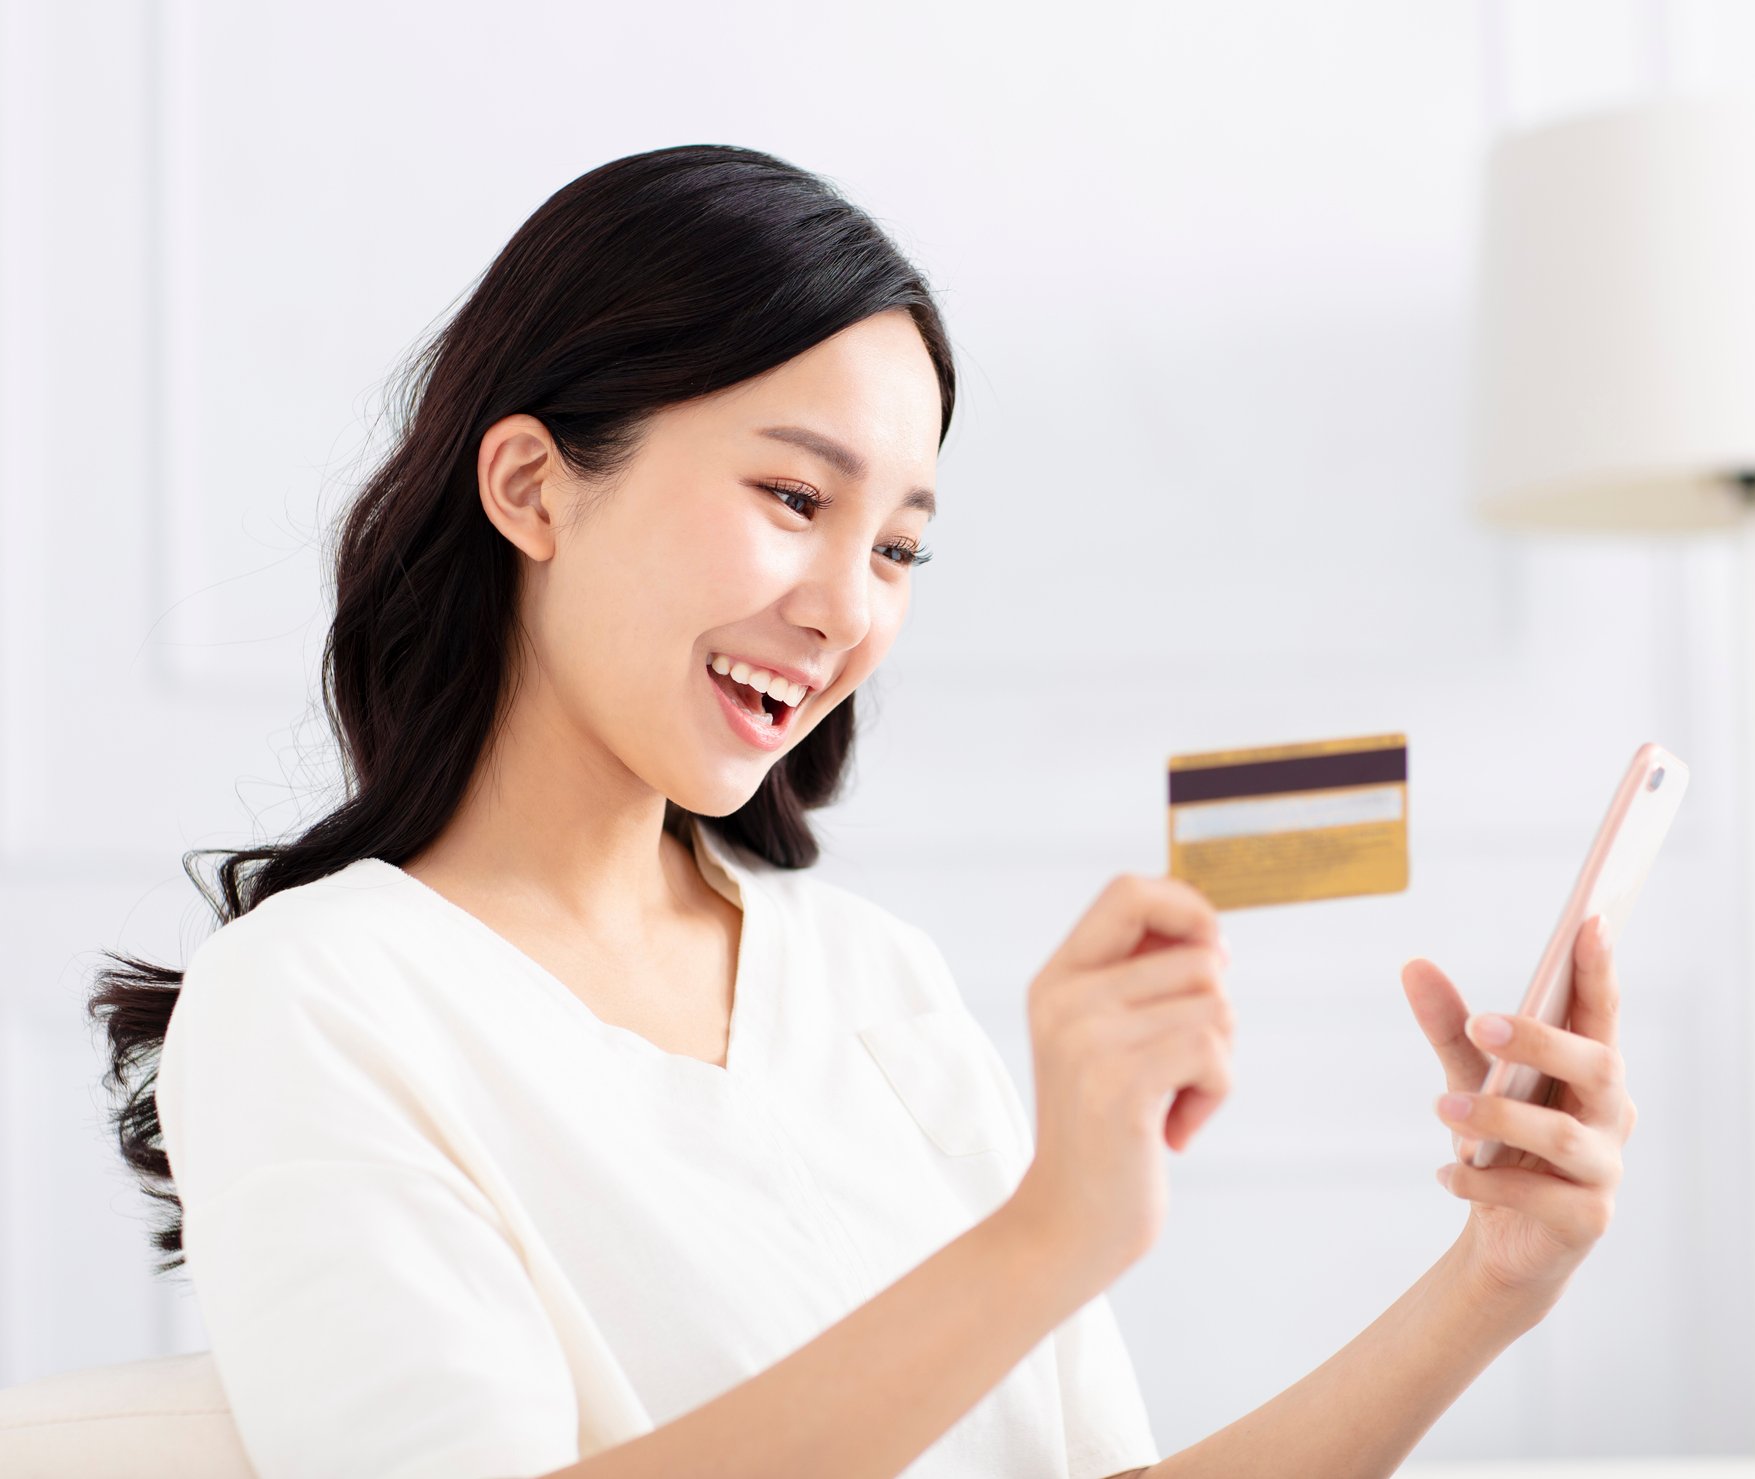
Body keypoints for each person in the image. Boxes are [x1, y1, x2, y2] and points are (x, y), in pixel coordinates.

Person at [88, 144, 1636, 1479]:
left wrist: (1493, 1280)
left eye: (899, 549)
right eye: (793, 499)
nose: (844, 608)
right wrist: (1045, 1240)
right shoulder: (314, 1000)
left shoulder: (864, 976)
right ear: (533, 489)